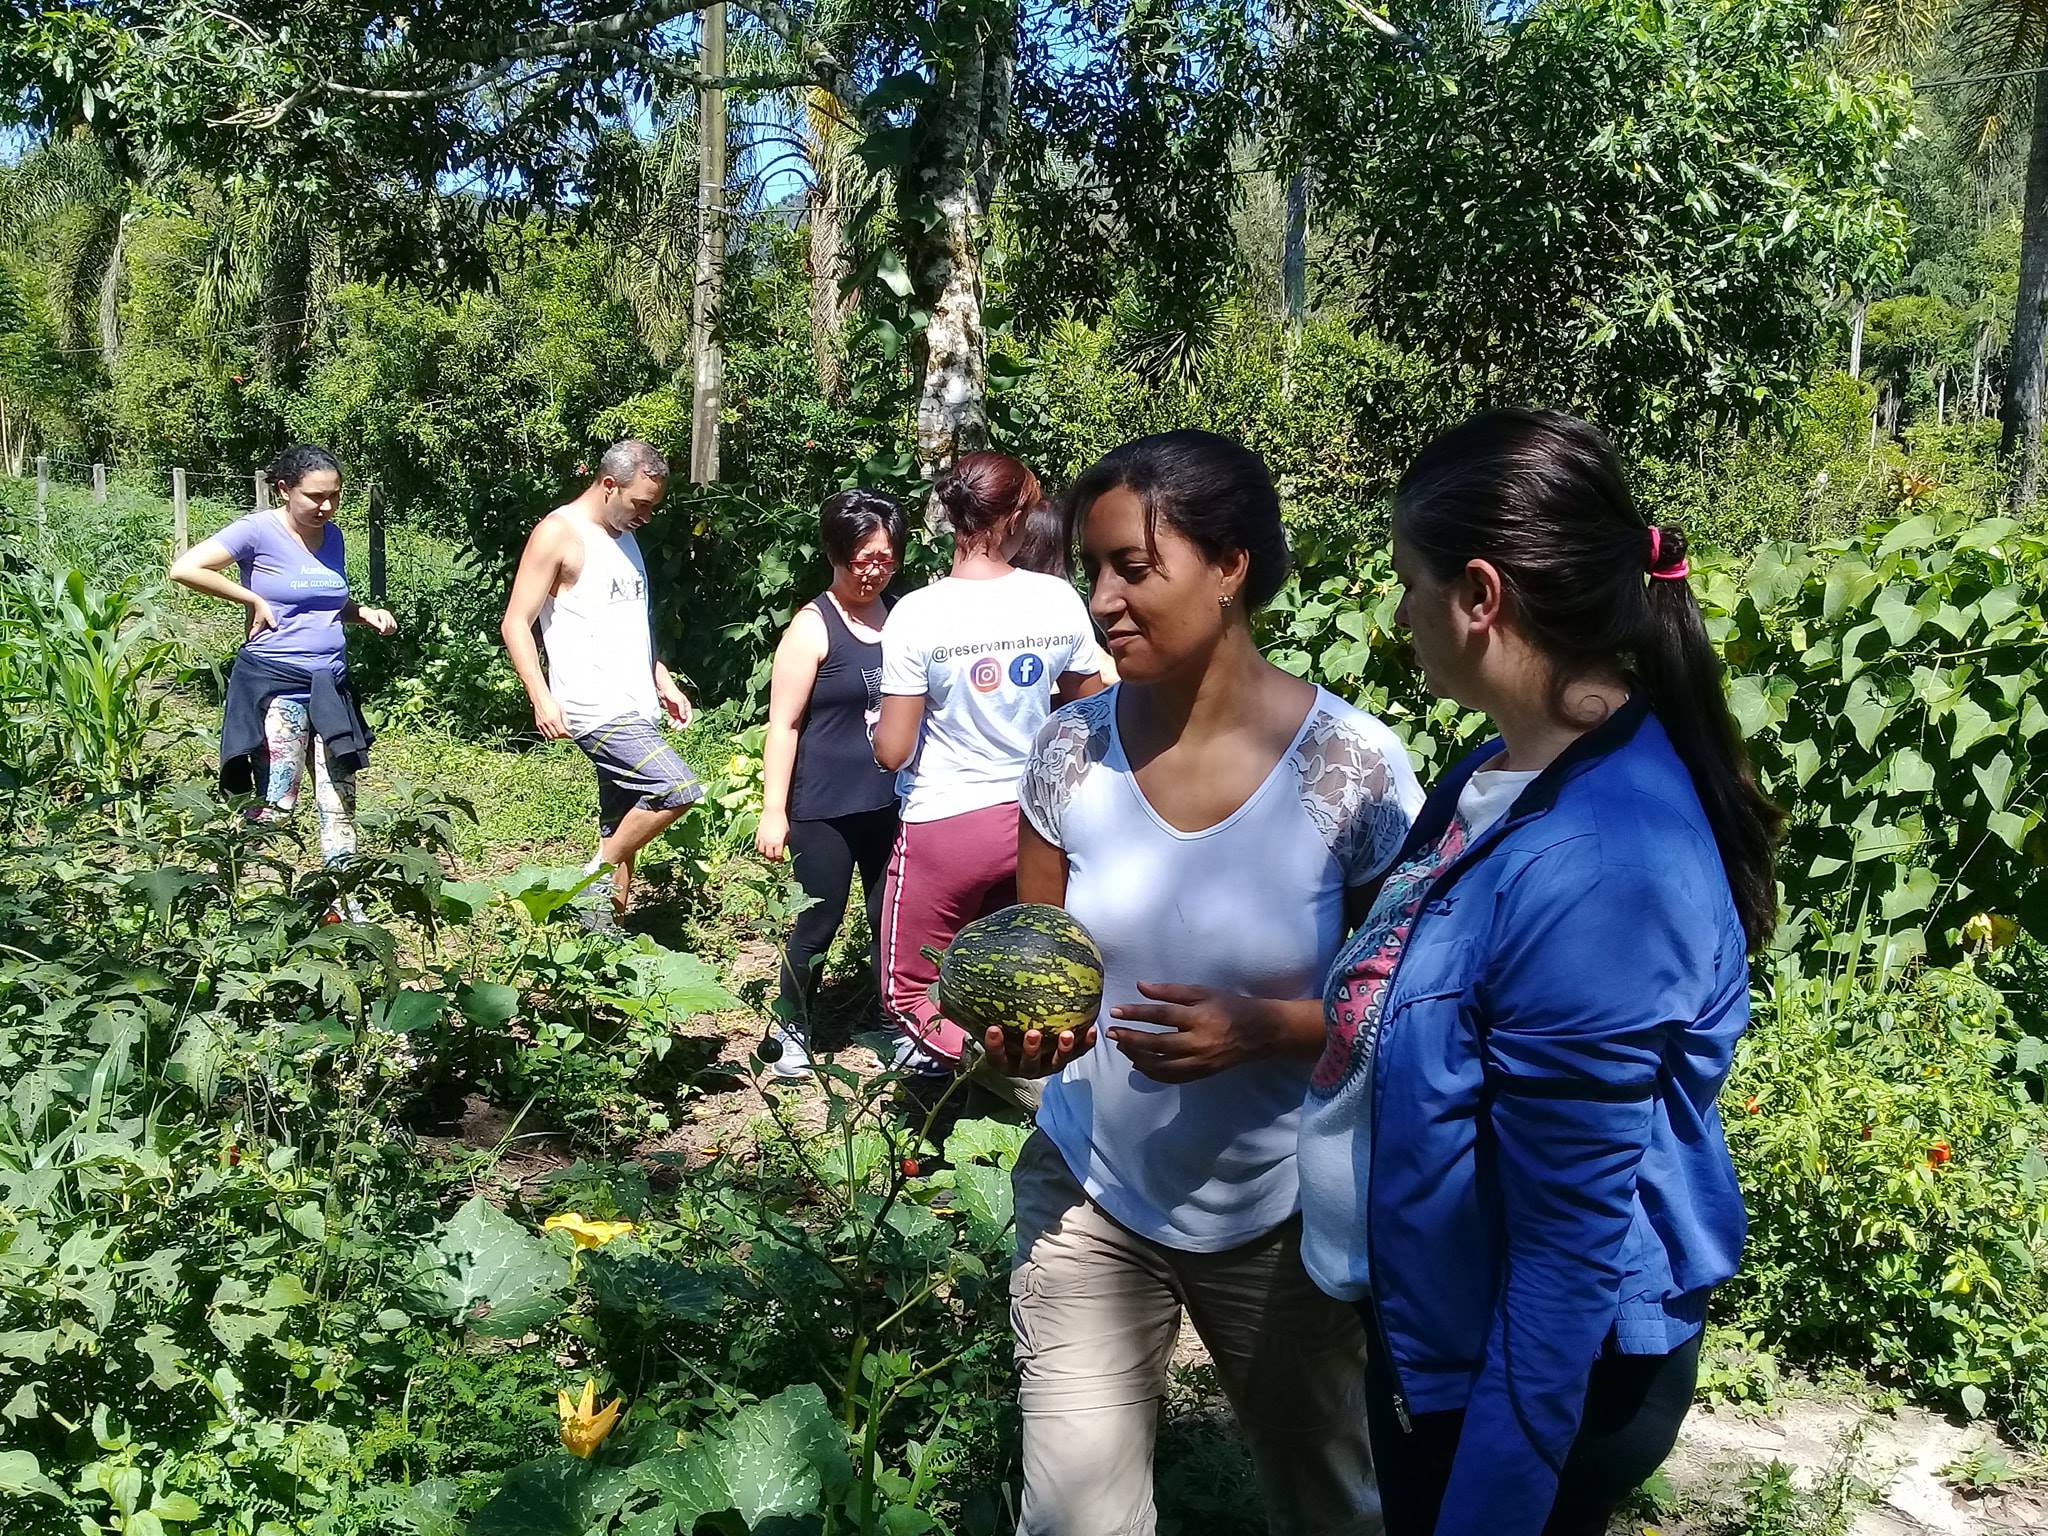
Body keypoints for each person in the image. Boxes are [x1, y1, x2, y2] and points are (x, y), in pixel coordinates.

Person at [1297, 409, 1781, 1536]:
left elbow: (1562, 1258)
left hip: (1524, 1377)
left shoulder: (1598, 865)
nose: (1397, 611)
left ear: (1479, 594)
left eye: (1406, 582)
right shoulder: (1493, 769)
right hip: (1442, 1326)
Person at [992, 430, 1423, 1536]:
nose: (1101, 601)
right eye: (1092, 570)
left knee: (1328, 1507)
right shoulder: (1067, 753)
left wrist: (1265, 1026)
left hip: (1279, 1211)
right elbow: (1036, 962)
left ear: (1229, 568)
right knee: (1072, 1520)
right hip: (1089, 1187)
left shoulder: (1353, 771)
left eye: (1133, 569)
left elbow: (1410, 1001)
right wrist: (1025, 1039)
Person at [871, 451, 1106, 1082]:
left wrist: (876, 728)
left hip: (948, 823)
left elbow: (892, 751)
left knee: (910, 992)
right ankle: (1041, 1086)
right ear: (1018, 514)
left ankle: (1004, 1085)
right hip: (1040, 822)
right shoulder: (1056, 599)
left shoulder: (917, 614)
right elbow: (1094, 707)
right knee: (1031, 983)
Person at [172, 444, 396, 891]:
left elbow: (321, 603)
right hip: (278, 685)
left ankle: (343, 900)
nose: (326, 506)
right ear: (283, 489)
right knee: (277, 799)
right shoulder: (256, 531)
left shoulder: (331, 536)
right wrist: (251, 597)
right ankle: (226, 887)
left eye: (334, 495)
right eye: (314, 496)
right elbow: (185, 568)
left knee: (339, 800)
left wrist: (361, 613)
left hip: (330, 687)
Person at [500, 441, 702, 929]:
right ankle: (585, 880)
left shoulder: (623, 532)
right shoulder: (559, 533)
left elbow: (626, 622)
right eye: (641, 505)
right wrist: (540, 695)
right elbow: (515, 622)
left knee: (621, 824)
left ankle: (603, 935)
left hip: (636, 702)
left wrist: (662, 680)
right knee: (678, 789)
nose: (646, 516)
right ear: (608, 484)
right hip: (594, 707)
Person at [754, 489, 908, 1078]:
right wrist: (774, 810)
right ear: (835, 554)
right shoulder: (811, 627)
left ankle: (899, 1020)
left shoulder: (901, 616)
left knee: (890, 915)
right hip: (824, 805)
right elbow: (784, 724)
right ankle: (791, 1022)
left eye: (884, 557)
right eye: (861, 558)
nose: (873, 570)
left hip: (890, 799)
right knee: (821, 914)